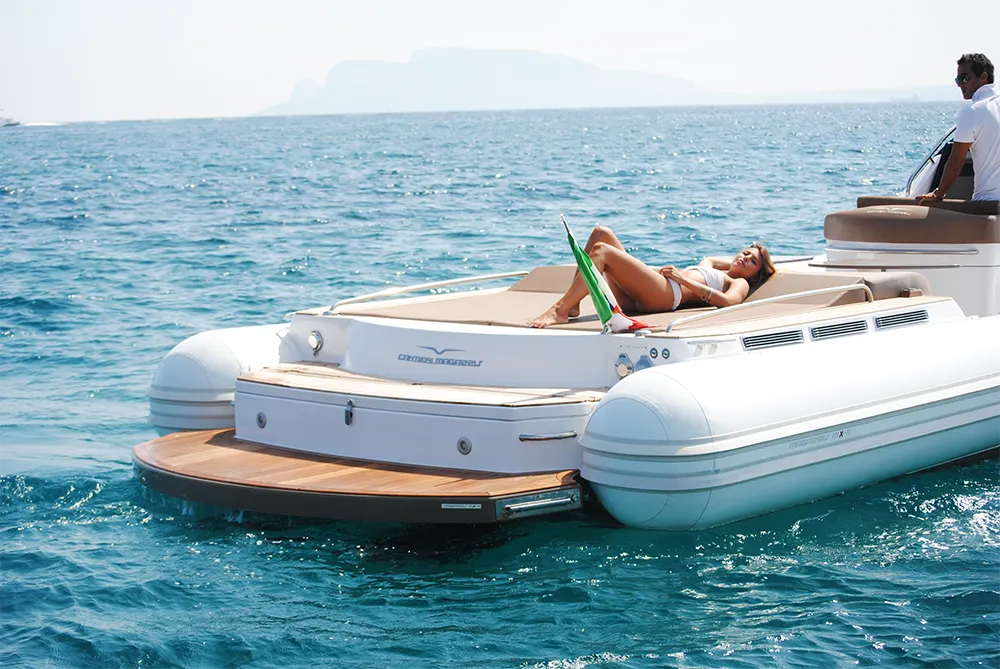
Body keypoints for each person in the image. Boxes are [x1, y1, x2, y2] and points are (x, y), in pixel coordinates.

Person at [528, 226, 776, 328]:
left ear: (756, 274)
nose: (745, 258)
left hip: (667, 295)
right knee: (600, 234)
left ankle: (560, 310)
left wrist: (682, 280)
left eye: (753, 261)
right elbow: (711, 258)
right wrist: (736, 262)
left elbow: (729, 302)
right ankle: (574, 305)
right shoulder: (714, 266)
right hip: (649, 292)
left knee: (602, 251)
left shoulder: (739, 282)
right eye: (745, 253)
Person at [917, 53, 1000, 203]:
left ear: (983, 77)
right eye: (958, 80)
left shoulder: (972, 111)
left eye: (964, 78)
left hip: (988, 204)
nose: (960, 84)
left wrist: (938, 194)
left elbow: (956, 163)